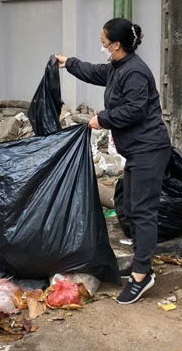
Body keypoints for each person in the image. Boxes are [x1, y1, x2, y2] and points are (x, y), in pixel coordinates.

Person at [55, 18, 170, 305]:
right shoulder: (120, 67)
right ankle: (142, 263)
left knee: (142, 212)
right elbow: (95, 72)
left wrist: (101, 119)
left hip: (149, 149)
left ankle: (143, 275)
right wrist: (68, 63)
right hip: (137, 150)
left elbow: (135, 110)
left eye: (104, 39)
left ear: (116, 44)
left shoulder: (135, 73)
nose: (102, 42)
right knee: (130, 207)